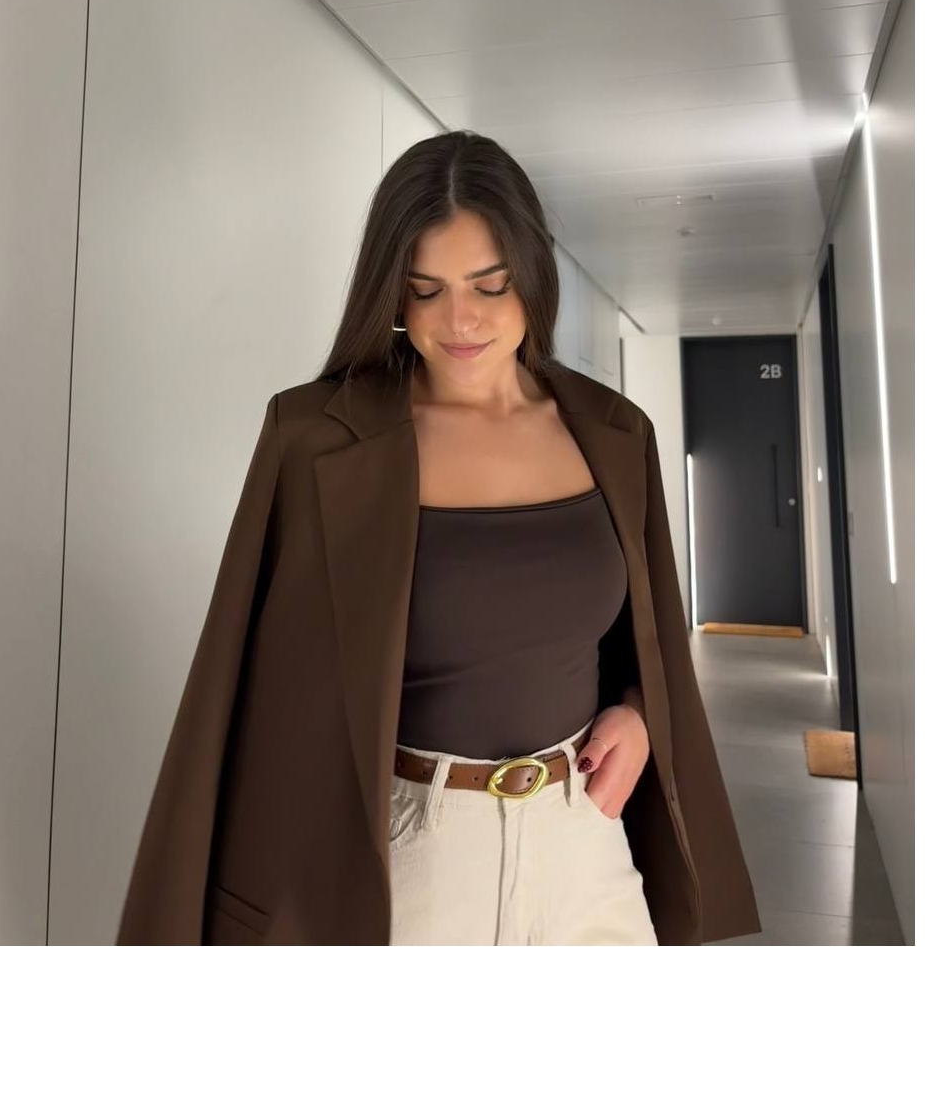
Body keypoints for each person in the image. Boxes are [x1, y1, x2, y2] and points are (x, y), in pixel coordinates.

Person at [116, 130, 761, 946]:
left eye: (490, 285)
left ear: (533, 275)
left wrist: (637, 715)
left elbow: (644, 636)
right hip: (410, 861)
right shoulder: (315, 439)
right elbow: (239, 688)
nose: (461, 320)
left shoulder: (615, 432)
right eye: (426, 291)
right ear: (393, 295)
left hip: (585, 845)